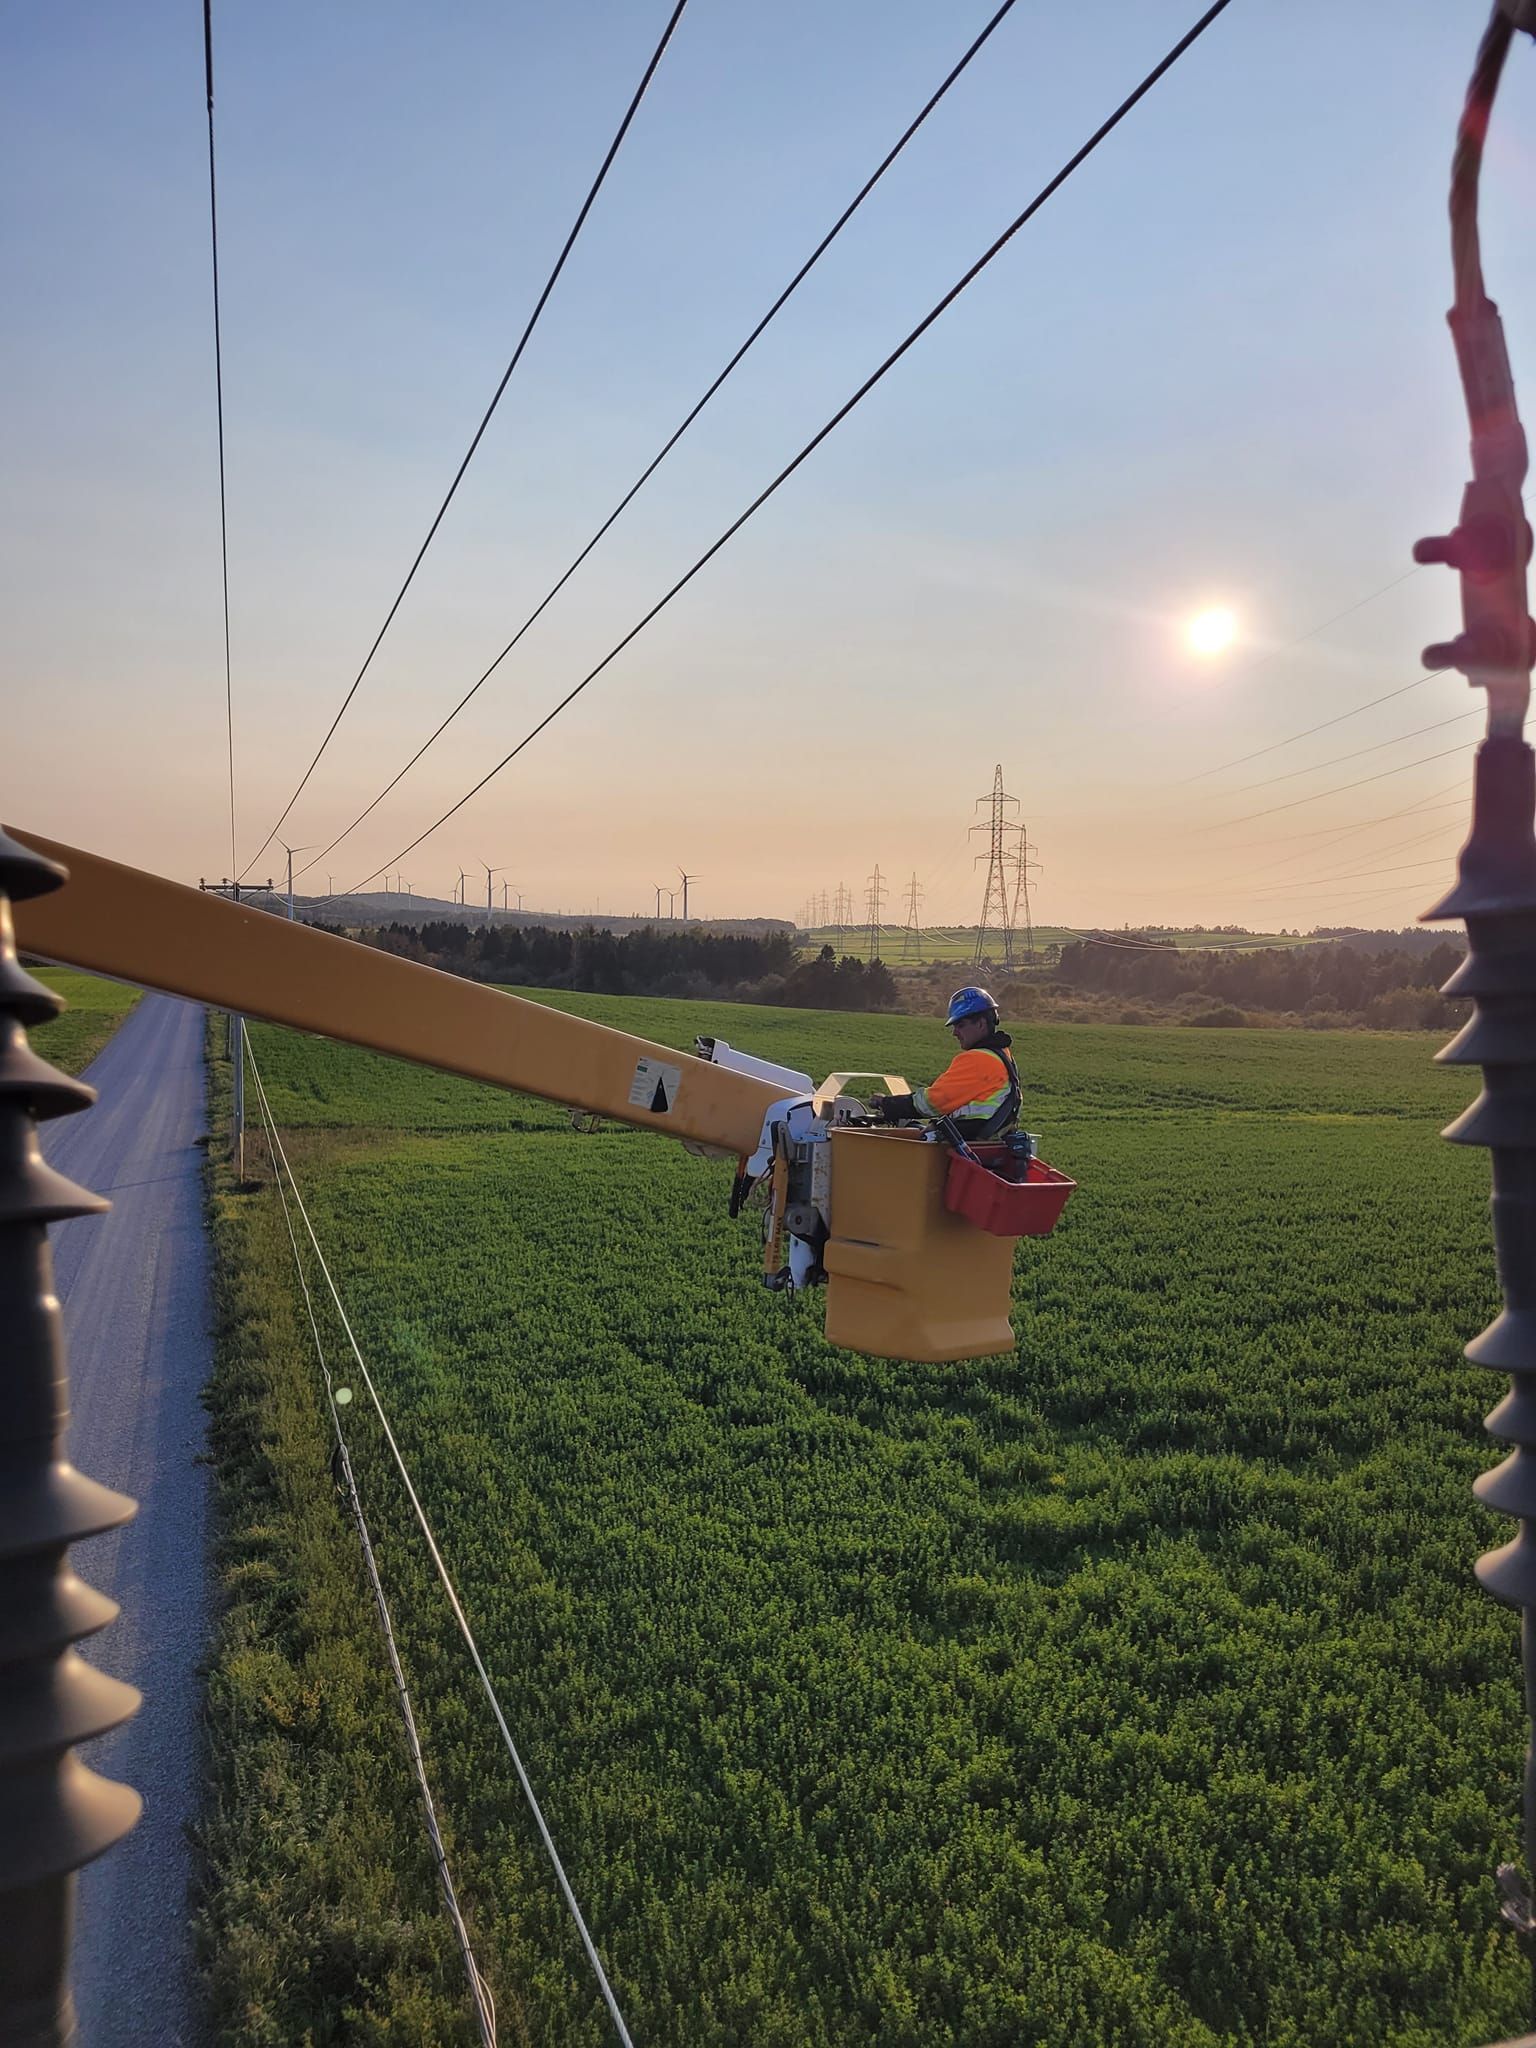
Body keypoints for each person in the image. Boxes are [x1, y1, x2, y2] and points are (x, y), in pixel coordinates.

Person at [872, 986, 1020, 1140]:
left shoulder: (979, 1059)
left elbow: (934, 1101)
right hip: (986, 1141)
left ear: (981, 1024)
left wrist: (888, 1104)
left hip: (966, 1145)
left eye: (960, 1025)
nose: (955, 1033)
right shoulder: (1003, 1055)